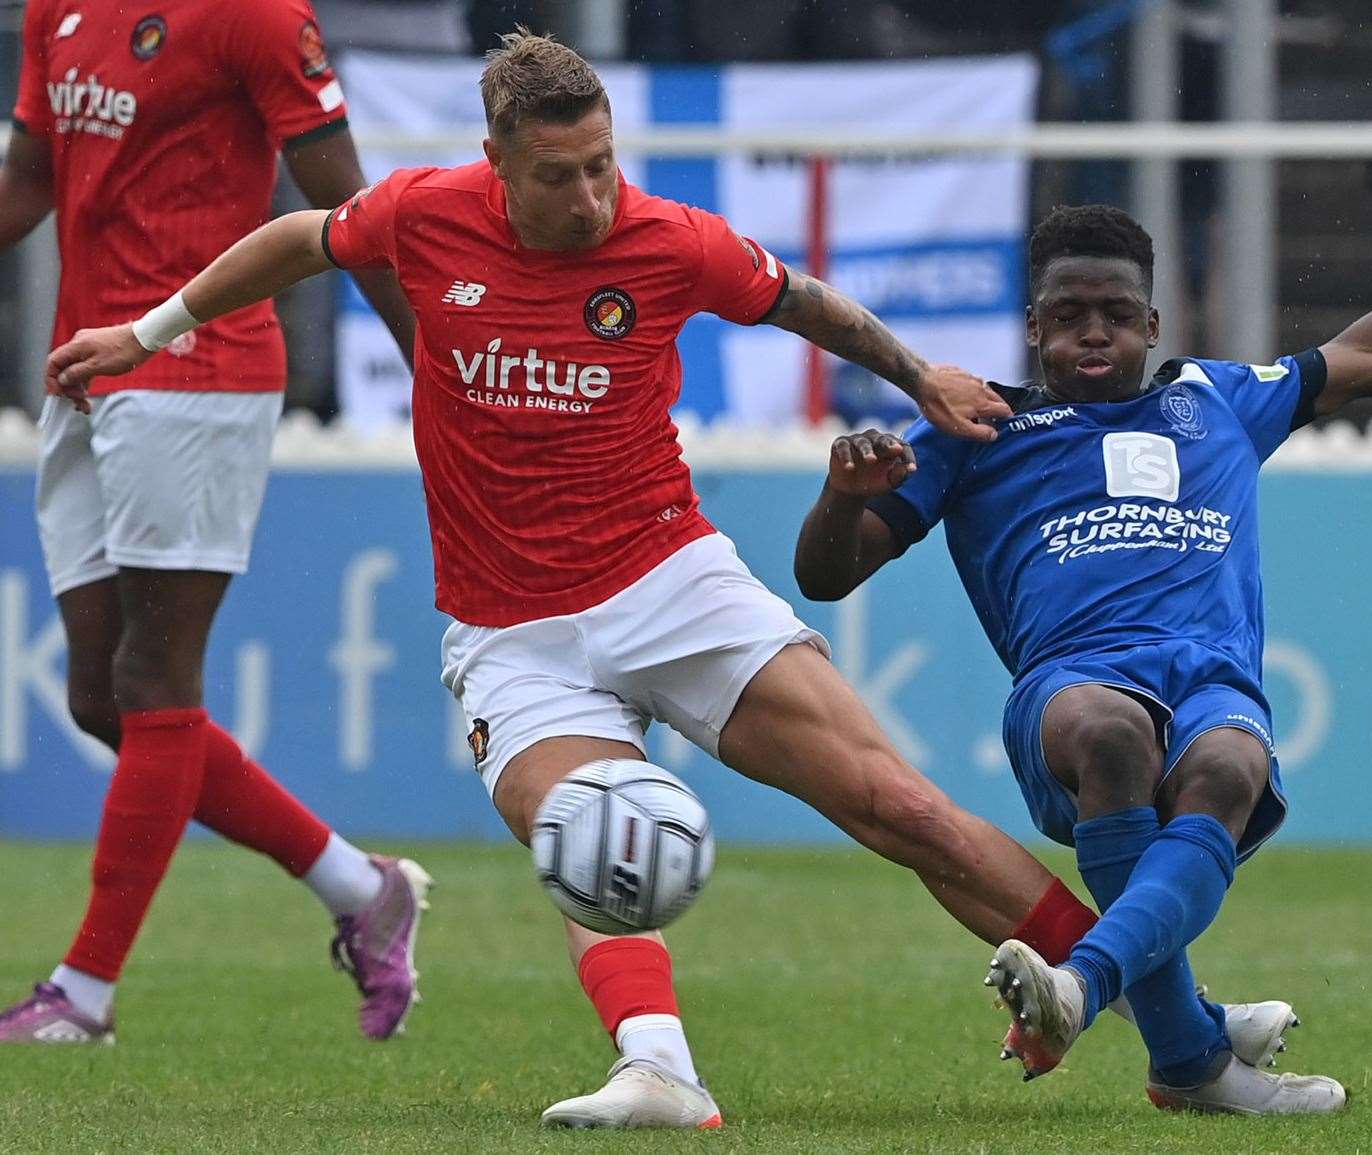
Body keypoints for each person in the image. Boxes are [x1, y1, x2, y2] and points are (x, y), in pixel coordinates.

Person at [37, 29, 1242, 1129]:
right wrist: (149, 331)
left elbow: (801, 301)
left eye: (603, 164)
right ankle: (660, 1069)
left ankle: (1170, 1023)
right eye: (560, 175)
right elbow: (303, 237)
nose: (590, 195)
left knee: (901, 810)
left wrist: (919, 373)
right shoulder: (417, 214)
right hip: (509, 631)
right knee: (583, 837)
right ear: (497, 165)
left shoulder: (668, 240)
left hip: (671, 581)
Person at [792, 177, 1372, 1112]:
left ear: (1154, 321)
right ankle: (1161, 1029)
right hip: (1073, 678)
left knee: (1231, 764)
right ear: (1033, 326)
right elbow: (826, 576)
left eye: (1115, 313)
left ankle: (1157, 1038)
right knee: (1110, 735)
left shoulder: (1218, 397)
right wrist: (842, 496)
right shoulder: (976, 427)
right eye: (1069, 316)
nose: (1093, 333)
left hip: (1210, 680)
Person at [0, 0, 426, 1046]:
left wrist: (431, 362)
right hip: (82, 369)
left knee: (154, 682)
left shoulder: (256, 16)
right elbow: (26, 179)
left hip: (199, 372)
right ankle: (358, 887)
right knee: (104, 698)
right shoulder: (60, 7)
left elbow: (348, 213)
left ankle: (83, 995)